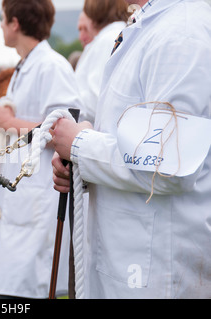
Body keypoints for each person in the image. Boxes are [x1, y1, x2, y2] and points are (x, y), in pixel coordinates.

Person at [52, 0, 211, 298]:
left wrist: (80, 146)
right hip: (131, 263)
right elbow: (133, 138)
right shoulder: (157, 25)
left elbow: (169, 165)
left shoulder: (182, 35)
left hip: (157, 272)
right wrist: (82, 166)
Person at [0, 0, 82, 299]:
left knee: (22, 294)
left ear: (15, 23)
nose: (1, 25)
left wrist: (9, 121)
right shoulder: (23, 67)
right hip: (18, 200)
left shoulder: (52, 66)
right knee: (8, 291)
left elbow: (65, 130)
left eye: (3, 19)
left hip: (38, 202)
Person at [75, 0, 130, 124]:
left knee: (22, 141)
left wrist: (68, 104)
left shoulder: (106, 41)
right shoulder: (120, 33)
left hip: (92, 130)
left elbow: (96, 101)